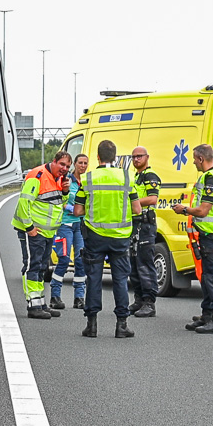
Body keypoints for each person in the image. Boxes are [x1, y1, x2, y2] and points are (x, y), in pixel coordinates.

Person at [172, 142, 213, 333]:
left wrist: (184, 210)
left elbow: (203, 210)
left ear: (201, 158)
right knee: (206, 277)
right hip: (209, 233)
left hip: (212, 234)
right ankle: (207, 314)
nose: (193, 163)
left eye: (194, 159)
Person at [79, 140, 136, 338]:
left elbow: (78, 209)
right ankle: (121, 325)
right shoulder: (126, 177)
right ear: (116, 157)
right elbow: (137, 209)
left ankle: (92, 325)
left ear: (97, 157)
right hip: (120, 238)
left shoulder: (88, 179)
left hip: (95, 236)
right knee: (120, 280)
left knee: (93, 278)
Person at [10, 148, 71, 319]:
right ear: (54, 161)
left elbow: (59, 204)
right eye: (62, 164)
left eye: (67, 166)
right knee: (33, 265)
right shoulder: (37, 175)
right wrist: (29, 228)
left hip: (48, 232)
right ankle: (33, 305)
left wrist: (65, 192)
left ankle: (41, 303)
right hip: (33, 230)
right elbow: (24, 203)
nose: (64, 168)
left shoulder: (59, 179)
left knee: (43, 267)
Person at [127, 146, 164, 317]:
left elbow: (152, 198)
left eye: (139, 156)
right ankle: (139, 299)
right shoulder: (136, 176)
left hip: (145, 224)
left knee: (145, 263)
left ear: (147, 157)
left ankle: (149, 302)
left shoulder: (150, 176)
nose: (136, 159)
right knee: (133, 263)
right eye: (133, 157)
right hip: (135, 225)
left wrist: (131, 202)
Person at [50, 153, 89, 310]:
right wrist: (74, 209)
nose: (83, 165)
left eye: (85, 163)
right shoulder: (66, 180)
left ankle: (79, 297)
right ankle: (55, 296)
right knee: (64, 259)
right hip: (65, 224)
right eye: (80, 162)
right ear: (75, 164)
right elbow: (61, 201)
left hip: (80, 225)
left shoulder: (87, 182)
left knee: (80, 260)